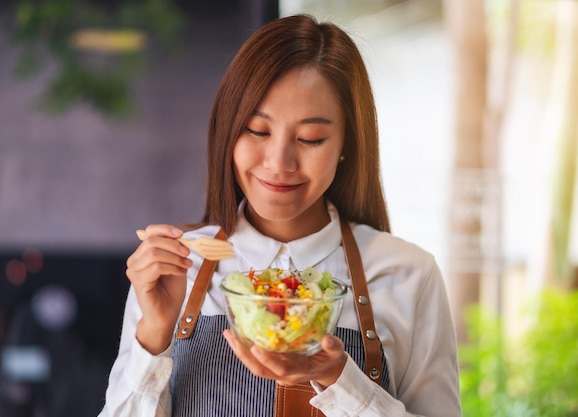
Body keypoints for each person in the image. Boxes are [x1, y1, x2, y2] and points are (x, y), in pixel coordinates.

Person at [98, 14, 461, 417]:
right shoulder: (176, 268)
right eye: (257, 130)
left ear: (346, 144)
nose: (279, 162)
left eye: (310, 138)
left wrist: (343, 380)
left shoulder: (408, 274)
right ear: (228, 133)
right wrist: (155, 334)